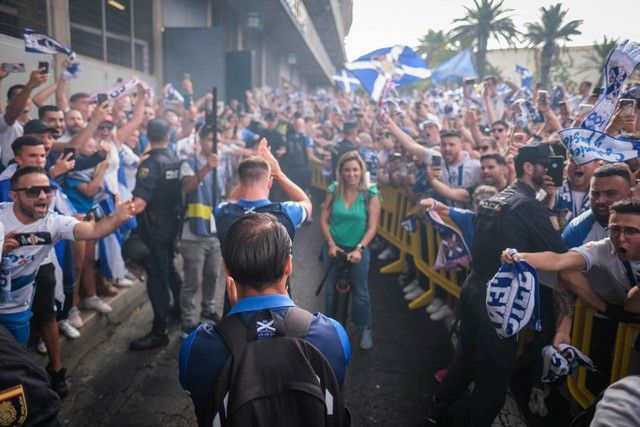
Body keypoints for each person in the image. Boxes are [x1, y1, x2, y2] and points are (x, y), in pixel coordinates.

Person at [426, 143, 568, 426]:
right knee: (492, 381)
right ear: (529, 168)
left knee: (466, 361)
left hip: (475, 289)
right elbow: (562, 256)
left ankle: (436, 411)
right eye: (546, 164)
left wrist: (549, 199)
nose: (553, 169)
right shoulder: (530, 207)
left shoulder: (498, 199)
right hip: (497, 302)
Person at [179, 213, 350, 426]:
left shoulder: (196, 348)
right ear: (288, 265)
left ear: (226, 269)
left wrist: (237, 322)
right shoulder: (332, 335)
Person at [0, 166, 135, 392]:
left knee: (12, 373)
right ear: (14, 195)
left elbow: (93, 230)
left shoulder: (54, 222)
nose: (43, 196)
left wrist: (117, 218)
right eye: (33, 191)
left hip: (15, 310)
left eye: (47, 189)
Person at [214, 139, 311, 311]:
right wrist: (279, 173)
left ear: (240, 182)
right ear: (270, 182)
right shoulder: (286, 213)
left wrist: (248, 173)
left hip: (237, 305)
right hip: (278, 305)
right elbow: (306, 203)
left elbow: (231, 200)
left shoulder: (223, 213)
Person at [129, 118, 182, 351]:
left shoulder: (149, 164)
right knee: (168, 267)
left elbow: (139, 204)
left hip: (154, 228)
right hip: (172, 224)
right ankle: (179, 310)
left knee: (157, 277)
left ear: (147, 135)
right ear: (168, 135)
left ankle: (159, 331)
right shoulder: (174, 160)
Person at [320, 151, 381, 349]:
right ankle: (327, 330)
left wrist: (360, 249)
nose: (351, 174)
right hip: (334, 248)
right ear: (341, 171)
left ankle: (365, 328)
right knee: (330, 291)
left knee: (361, 292)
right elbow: (323, 220)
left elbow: (372, 227)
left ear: (361, 171)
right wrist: (331, 244)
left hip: (358, 250)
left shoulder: (370, 193)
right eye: (347, 170)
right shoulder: (334, 189)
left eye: (355, 169)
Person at [178, 125, 221, 337]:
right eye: (211, 139)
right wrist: (206, 168)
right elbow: (187, 186)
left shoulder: (220, 166)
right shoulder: (189, 163)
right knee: (192, 280)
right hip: (193, 234)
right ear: (201, 140)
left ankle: (208, 309)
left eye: (217, 140)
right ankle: (188, 321)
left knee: (212, 275)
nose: (214, 144)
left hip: (214, 233)